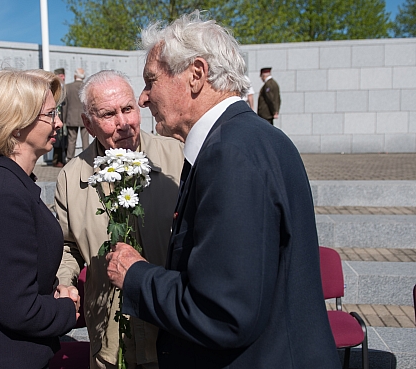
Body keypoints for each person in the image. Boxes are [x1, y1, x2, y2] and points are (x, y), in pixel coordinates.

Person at [105, 11, 340, 369]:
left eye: (151, 80)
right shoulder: (252, 139)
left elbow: (222, 313)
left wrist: (136, 275)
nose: (143, 98)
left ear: (196, 74)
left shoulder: (230, 153)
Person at [55, 70, 184, 369]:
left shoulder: (176, 158)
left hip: (172, 334)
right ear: (88, 123)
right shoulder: (72, 177)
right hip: (111, 339)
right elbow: (67, 246)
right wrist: (65, 282)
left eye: (128, 109)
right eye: (109, 114)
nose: (123, 122)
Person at [0, 69, 80, 369]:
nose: (59, 123)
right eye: (50, 114)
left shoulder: (8, 182)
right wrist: (68, 308)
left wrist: (52, 292)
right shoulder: (5, 194)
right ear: (17, 126)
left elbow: (16, 279)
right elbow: (19, 309)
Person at [64, 68, 89, 161]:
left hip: (71, 116)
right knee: (85, 140)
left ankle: (69, 158)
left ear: (75, 76)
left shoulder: (68, 87)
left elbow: (65, 104)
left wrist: (63, 118)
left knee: (71, 140)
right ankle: (87, 158)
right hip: (85, 117)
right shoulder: (86, 86)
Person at [51, 67, 68, 167]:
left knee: (64, 140)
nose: (63, 78)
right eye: (60, 76)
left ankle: (62, 159)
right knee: (56, 140)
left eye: (63, 76)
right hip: (56, 116)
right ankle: (56, 160)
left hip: (63, 117)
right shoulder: (54, 88)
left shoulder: (65, 88)